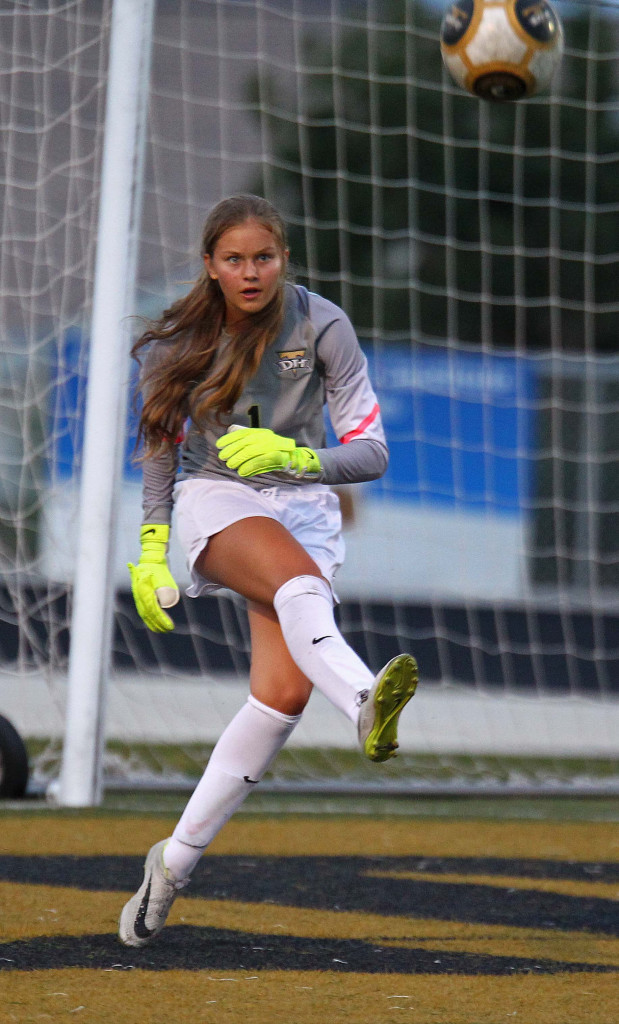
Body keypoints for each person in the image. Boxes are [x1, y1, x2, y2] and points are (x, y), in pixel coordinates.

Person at [118, 194, 418, 948]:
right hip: (213, 497)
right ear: (210, 265)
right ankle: (360, 700)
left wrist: (297, 458)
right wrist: (153, 547)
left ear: (283, 258)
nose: (249, 272)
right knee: (294, 585)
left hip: (303, 498)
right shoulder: (178, 339)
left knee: (279, 698)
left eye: (264, 257)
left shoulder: (323, 325)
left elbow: (372, 454)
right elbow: (160, 451)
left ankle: (173, 863)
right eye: (233, 259)